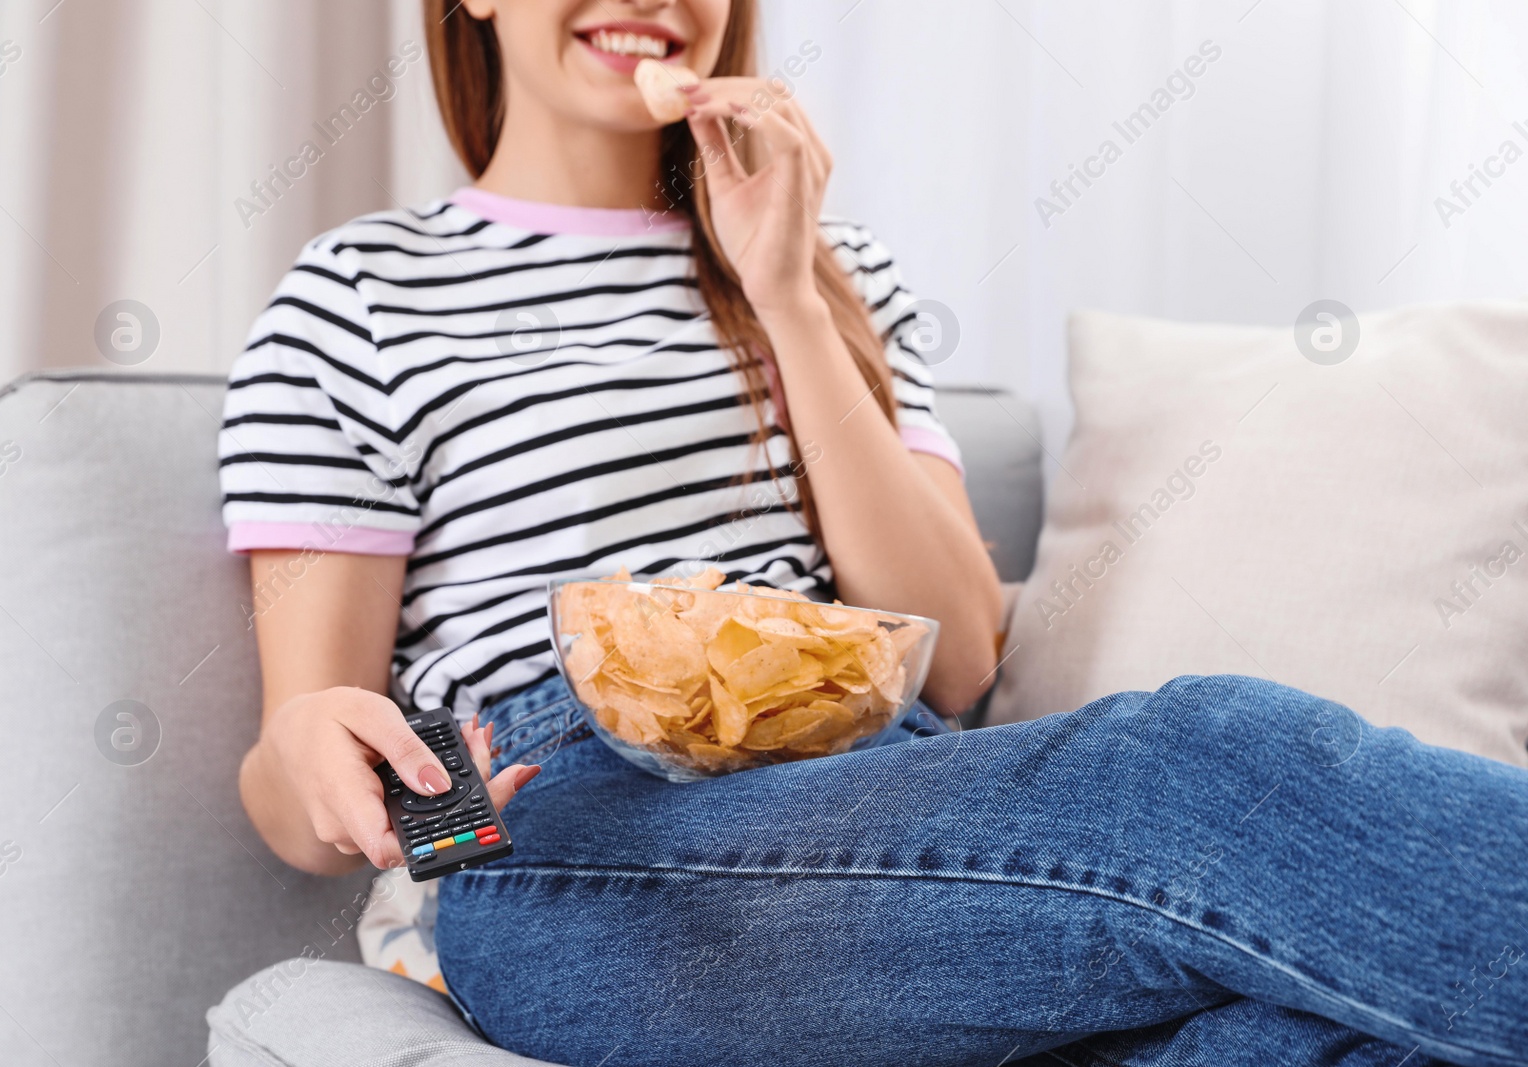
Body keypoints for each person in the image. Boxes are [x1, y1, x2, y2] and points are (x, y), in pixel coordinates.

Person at [217, 1, 1528, 1064]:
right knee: (1199, 766)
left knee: (1332, 1032)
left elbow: (951, 666)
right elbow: (300, 790)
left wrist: (785, 291)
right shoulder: (364, 297)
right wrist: (321, 752)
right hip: (562, 825)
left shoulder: (835, 268)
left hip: (881, 781)